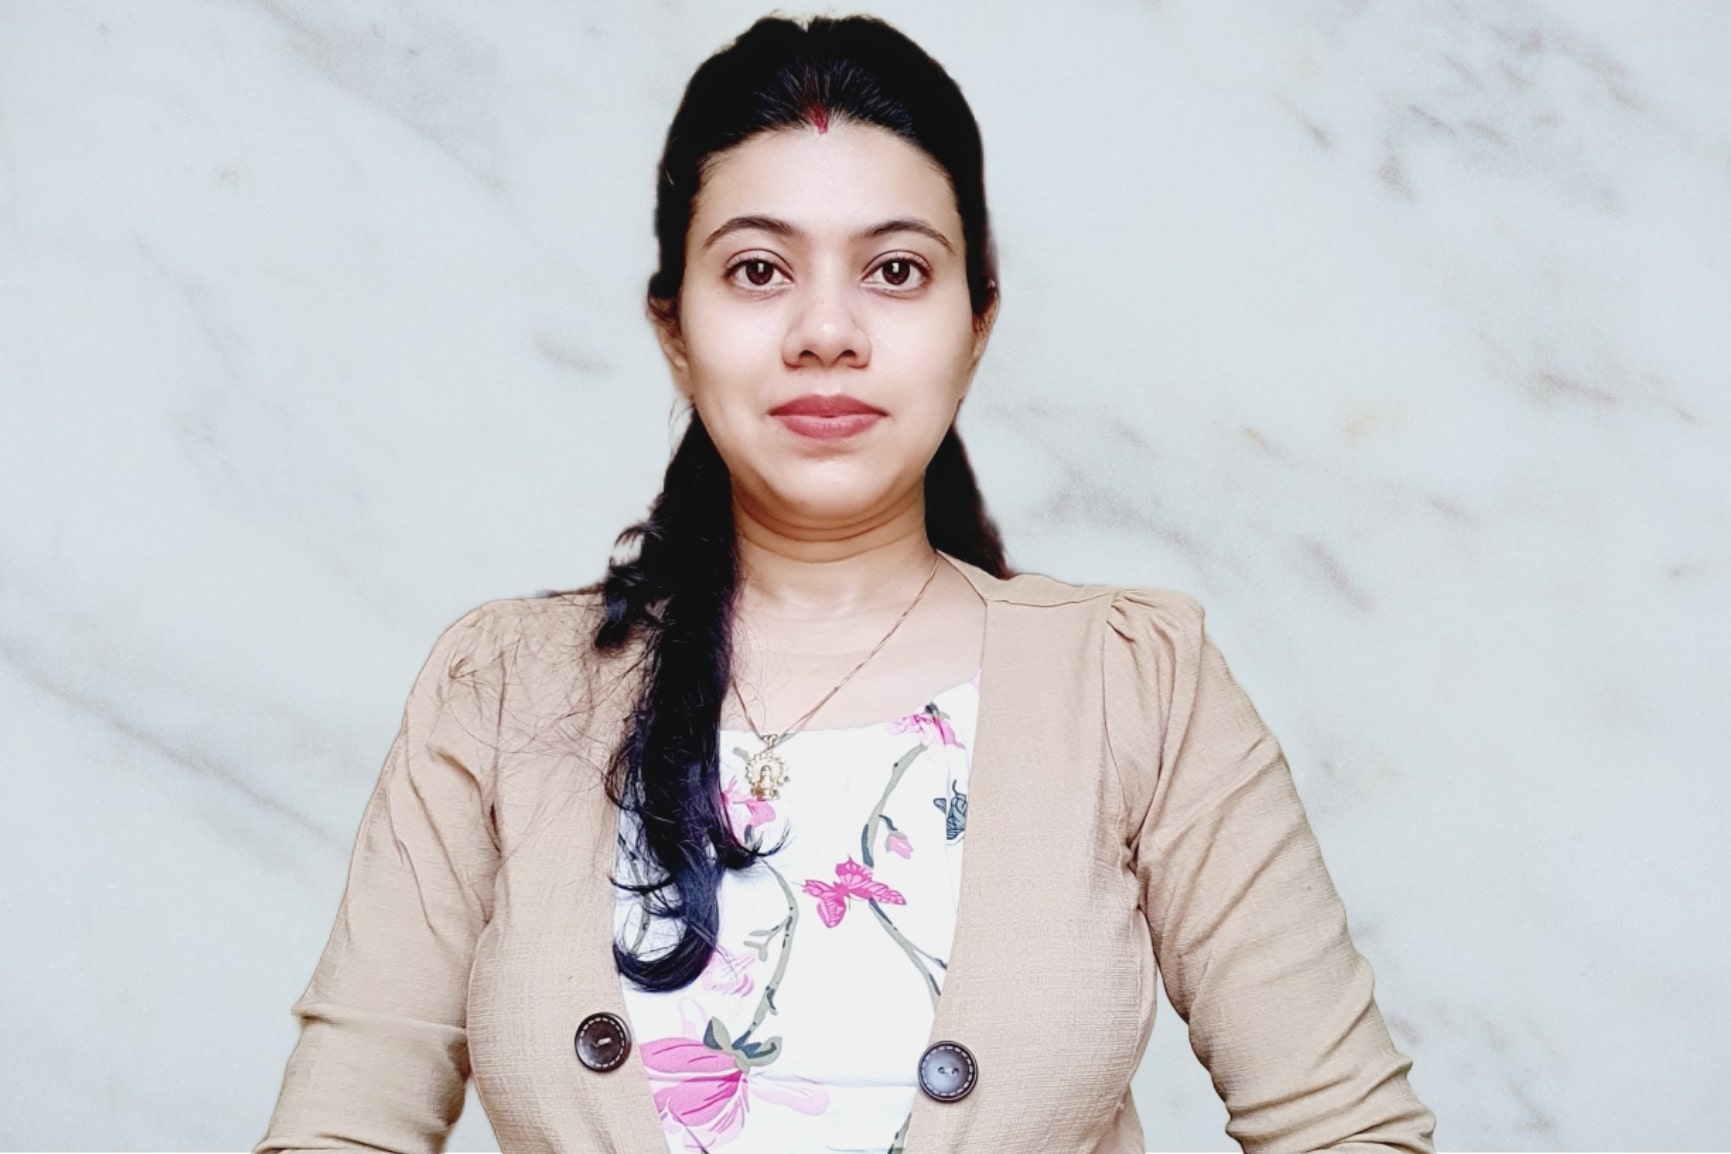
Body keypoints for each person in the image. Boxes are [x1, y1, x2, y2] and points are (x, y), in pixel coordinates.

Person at [255, 14, 1437, 1154]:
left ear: (978, 320)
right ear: (673, 324)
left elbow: (1349, 1132)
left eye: (896, 269)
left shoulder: (1137, 683)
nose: (827, 329)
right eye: (758, 268)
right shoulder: (500, 690)